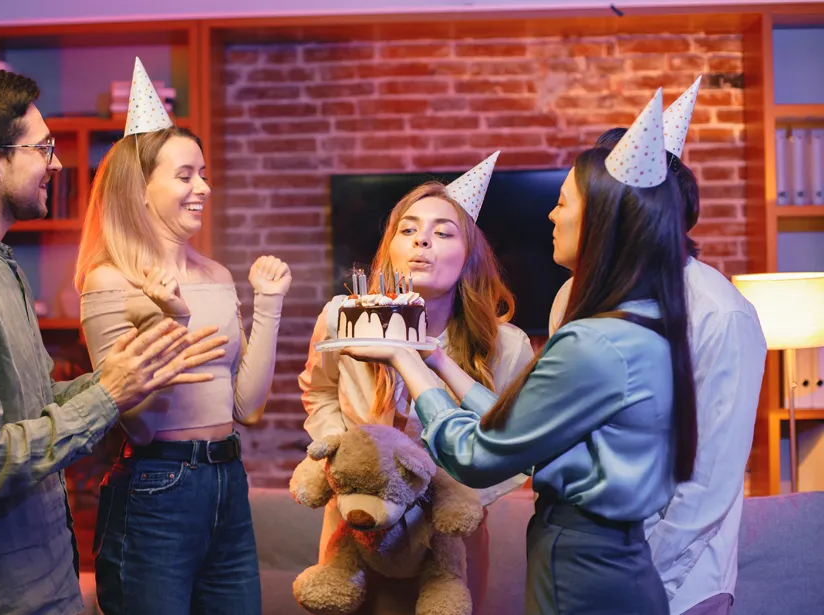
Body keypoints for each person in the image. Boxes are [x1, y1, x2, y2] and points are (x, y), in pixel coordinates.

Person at [0, 23, 226, 615]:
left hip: (45, 589)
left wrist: (122, 375)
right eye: (42, 149)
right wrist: (109, 397)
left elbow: (34, 401)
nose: (57, 163)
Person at [341, 90, 696, 615]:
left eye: (563, 202)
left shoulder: (592, 342)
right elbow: (526, 438)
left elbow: (481, 455)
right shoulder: (639, 328)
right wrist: (437, 360)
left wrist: (407, 362)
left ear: (600, 222)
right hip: (615, 562)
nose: (551, 217)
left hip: (583, 570)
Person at [75, 58, 290, 615]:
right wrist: (169, 318)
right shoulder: (109, 281)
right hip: (156, 486)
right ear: (140, 188)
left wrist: (269, 304)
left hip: (228, 480)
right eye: (185, 175)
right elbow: (139, 421)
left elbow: (248, 405)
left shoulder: (218, 276)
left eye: (203, 173)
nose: (204, 187)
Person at [550, 80, 767, 615]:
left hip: (678, 583)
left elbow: (710, 477)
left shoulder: (719, 312)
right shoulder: (568, 299)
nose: (552, 216)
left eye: (564, 201)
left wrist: (640, 577)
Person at [297, 153, 534, 614]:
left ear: (469, 257)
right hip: (357, 520)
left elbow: (514, 447)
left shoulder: (506, 345)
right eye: (408, 230)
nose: (422, 240)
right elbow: (319, 390)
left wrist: (446, 495)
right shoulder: (342, 318)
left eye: (443, 233)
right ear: (389, 249)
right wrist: (345, 459)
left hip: (447, 538)